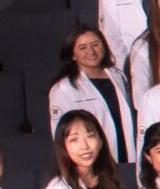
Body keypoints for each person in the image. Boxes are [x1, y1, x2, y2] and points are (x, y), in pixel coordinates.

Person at [48, 25, 140, 167]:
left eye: (95, 44)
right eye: (83, 47)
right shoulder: (63, 89)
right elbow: (61, 135)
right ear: (72, 54)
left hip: (128, 155)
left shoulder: (118, 77)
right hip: (93, 160)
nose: (91, 51)